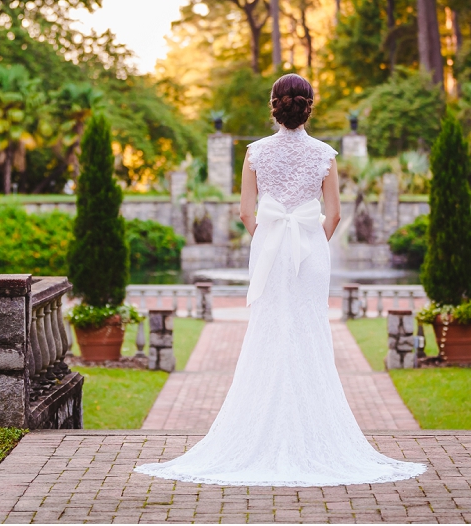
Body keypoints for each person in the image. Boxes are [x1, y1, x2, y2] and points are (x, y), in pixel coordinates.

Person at [134, 74, 426, 487]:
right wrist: (309, 245)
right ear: (309, 107)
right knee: (309, 331)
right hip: (311, 254)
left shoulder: (254, 153)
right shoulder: (326, 153)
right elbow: (335, 213)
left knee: (269, 331)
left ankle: (262, 429)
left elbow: (245, 212)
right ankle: (314, 432)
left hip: (270, 252)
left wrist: (270, 243)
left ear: (275, 105)